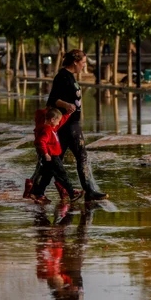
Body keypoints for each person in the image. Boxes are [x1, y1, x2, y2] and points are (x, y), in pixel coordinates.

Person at [47, 49, 107, 201]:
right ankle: (89, 190)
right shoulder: (63, 77)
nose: (84, 66)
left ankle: (37, 188)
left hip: (71, 123)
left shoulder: (70, 77)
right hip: (67, 124)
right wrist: (66, 105)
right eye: (83, 63)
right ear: (75, 62)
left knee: (56, 159)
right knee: (80, 156)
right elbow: (52, 99)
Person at [28, 108, 83, 203]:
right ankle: (71, 193)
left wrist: (68, 114)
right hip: (52, 157)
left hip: (50, 157)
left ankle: (38, 194)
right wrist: (45, 153)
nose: (58, 123)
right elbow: (41, 141)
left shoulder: (51, 128)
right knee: (62, 175)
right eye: (57, 121)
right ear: (52, 120)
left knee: (46, 176)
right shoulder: (47, 130)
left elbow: (61, 122)